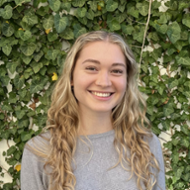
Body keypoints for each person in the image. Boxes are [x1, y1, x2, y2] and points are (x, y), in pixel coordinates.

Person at [21, 31, 165, 190]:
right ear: (71, 77)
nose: (104, 82)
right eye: (91, 68)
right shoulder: (39, 151)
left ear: (126, 79)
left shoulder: (147, 145)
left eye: (116, 71)